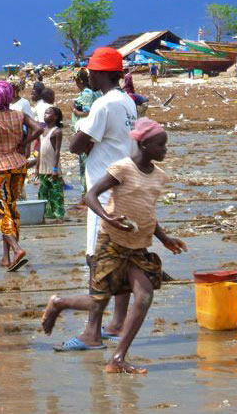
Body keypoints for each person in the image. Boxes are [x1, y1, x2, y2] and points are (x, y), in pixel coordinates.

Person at [42, 118, 186, 371]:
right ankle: (59, 303)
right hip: (112, 242)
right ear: (144, 144)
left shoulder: (159, 177)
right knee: (99, 302)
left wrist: (165, 239)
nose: (165, 150)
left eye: (166, 145)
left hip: (138, 247)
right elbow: (90, 195)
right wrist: (108, 217)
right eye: (160, 145)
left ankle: (117, 358)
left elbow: (148, 213)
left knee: (143, 296)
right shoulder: (123, 168)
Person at [70, 46, 138, 346]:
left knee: (95, 260)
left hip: (102, 191)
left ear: (101, 73)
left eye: (92, 72)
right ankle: (118, 322)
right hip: (123, 185)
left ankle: (92, 331)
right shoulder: (127, 102)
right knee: (120, 257)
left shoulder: (103, 105)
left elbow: (76, 145)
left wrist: (82, 128)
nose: (90, 76)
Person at [0, 80, 42, 271]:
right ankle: (6, 257)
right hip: (18, 166)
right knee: (10, 209)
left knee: (0, 211)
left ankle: (17, 249)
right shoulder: (19, 115)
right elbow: (39, 129)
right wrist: (25, 142)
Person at [71, 69, 100, 202]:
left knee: (85, 166)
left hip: (85, 133)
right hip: (86, 133)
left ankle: (86, 197)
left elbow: (87, 113)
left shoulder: (87, 94)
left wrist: (74, 110)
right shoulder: (90, 93)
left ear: (79, 81)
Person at [37, 107, 65, 220]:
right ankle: (45, 215)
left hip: (53, 169)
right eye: (45, 112)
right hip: (43, 169)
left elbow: (57, 151)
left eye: (48, 113)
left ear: (56, 117)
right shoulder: (42, 130)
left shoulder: (57, 131)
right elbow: (39, 150)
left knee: (56, 194)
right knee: (42, 193)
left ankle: (58, 215)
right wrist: (36, 168)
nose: (45, 114)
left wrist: (55, 169)